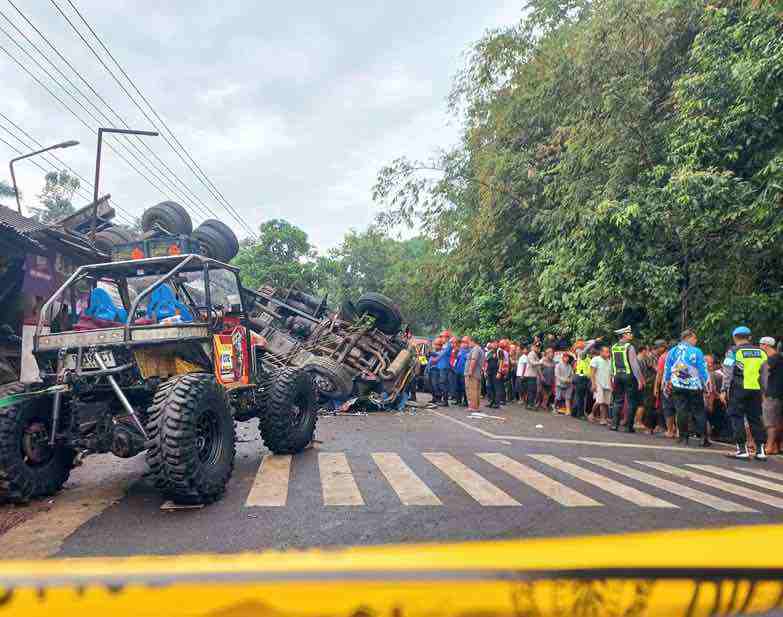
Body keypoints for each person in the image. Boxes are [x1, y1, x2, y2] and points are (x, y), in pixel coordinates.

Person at [721, 326, 768, 460]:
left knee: (737, 417)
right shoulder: (761, 352)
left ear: (735, 338)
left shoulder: (733, 351)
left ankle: (742, 449)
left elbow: (727, 372)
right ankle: (760, 451)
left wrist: (724, 390)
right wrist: (764, 390)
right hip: (756, 390)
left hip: (738, 389)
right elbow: (765, 374)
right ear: (750, 337)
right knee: (755, 419)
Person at [663, 329, 710, 447]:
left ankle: (683, 437)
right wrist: (708, 385)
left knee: (681, 411)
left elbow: (667, 369)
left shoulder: (672, 352)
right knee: (699, 411)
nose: (696, 341)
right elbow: (703, 370)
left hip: (678, 385)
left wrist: (666, 383)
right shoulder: (697, 351)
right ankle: (703, 438)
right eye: (694, 338)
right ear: (688, 338)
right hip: (694, 386)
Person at [609, 326, 645, 433]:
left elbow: (612, 363)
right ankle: (628, 427)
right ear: (624, 335)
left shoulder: (614, 347)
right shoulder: (629, 347)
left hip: (617, 376)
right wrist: (639, 379)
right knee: (631, 402)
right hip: (629, 376)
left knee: (617, 400)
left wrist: (612, 377)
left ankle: (614, 425)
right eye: (629, 333)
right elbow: (634, 365)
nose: (631, 335)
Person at [760, 337, 782, 455]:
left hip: (772, 394)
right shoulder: (780, 358)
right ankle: (776, 447)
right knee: (777, 421)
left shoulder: (772, 359)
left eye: (760, 345)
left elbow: (765, 376)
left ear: (766, 346)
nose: (760, 347)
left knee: (770, 422)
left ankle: (769, 446)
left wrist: (764, 392)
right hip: (778, 393)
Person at [654, 340, 677, 438]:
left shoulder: (663, 357)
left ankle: (670, 431)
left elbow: (659, 374)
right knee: (679, 408)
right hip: (679, 385)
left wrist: (656, 387)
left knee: (668, 409)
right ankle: (679, 431)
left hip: (667, 386)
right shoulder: (681, 357)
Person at [573, 339, 598, 419]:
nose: (592, 350)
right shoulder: (581, 353)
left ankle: (575, 412)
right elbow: (587, 347)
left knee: (581, 396)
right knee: (580, 397)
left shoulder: (589, 357)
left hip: (586, 378)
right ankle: (580, 414)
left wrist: (592, 341)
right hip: (580, 377)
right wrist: (593, 341)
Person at [590, 346, 612, 424]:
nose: (608, 354)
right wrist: (593, 384)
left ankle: (603, 419)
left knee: (605, 403)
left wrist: (611, 385)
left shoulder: (610, 362)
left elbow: (610, 374)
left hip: (607, 384)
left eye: (608, 352)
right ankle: (592, 414)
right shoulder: (596, 359)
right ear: (601, 352)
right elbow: (592, 373)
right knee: (599, 401)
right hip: (598, 383)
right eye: (606, 352)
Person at [464, 338, 484, 411]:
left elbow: (473, 360)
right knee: (476, 390)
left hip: (473, 373)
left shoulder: (476, 349)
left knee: (472, 390)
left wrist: (470, 371)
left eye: (469, 342)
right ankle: (476, 406)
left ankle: (473, 407)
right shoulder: (480, 349)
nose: (469, 344)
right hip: (476, 373)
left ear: (473, 341)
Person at [522, 342, 542, 408]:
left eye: (538, 347)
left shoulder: (535, 355)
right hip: (530, 375)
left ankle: (528, 404)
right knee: (531, 390)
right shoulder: (531, 354)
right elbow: (533, 363)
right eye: (536, 347)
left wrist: (540, 375)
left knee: (532, 390)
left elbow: (537, 367)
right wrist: (540, 362)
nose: (538, 348)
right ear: (533, 347)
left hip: (533, 375)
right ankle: (530, 404)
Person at [453, 337, 470, 407]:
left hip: (464, 372)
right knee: (457, 387)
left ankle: (465, 401)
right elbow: (456, 359)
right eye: (462, 342)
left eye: (465, 342)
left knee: (464, 388)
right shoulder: (460, 350)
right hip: (458, 371)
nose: (463, 344)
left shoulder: (470, 351)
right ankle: (458, 400)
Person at [484, 341, 500, 409]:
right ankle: (492, 401)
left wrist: (499, 372)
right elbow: (486, 362)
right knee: (491, 387)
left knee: (496, 387)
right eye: (493, 343)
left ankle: (497, 403)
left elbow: (501, 361)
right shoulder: (489, 353)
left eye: (495, 343)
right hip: (489, 371)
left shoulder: (499, 352)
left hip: (495, 371)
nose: (494, 345)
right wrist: (485, 371)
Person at [539, 347, 556, 411]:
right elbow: (538, 369)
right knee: (543, 392)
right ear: (547, 353)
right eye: (550, 353)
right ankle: (541, 404)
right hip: (543, 380)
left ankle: (544, 404)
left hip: (550, 380)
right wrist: (541, 376)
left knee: (548, 393)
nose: (552, 354)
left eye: (552, 353)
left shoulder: (553, 362)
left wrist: (554, 380)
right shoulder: (542, 360)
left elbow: (554, 371)